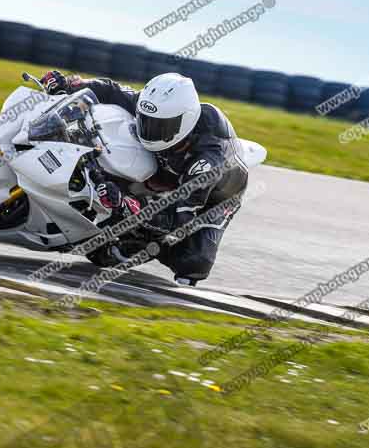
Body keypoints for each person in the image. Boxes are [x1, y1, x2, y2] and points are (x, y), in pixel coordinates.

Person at [40, 70, 248, 286]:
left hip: (213, 197)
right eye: (146, 121)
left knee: (193, 263)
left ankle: (141, 247)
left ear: (183, 123)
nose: (148, 131)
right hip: (165, 167)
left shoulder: (208, 163)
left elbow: (176, 220)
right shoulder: (161, 107)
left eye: (159, 126)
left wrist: (129, 204)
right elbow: (112, 90)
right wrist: (71, 84)